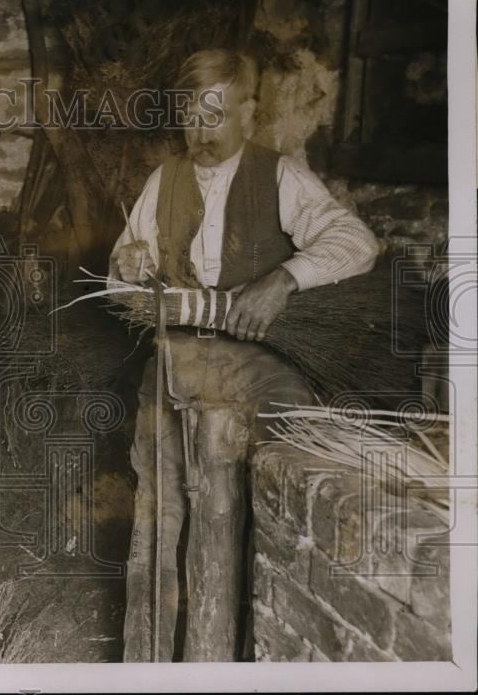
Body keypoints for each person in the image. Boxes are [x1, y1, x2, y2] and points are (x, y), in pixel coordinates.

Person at [110, 50, 379, 661]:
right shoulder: (165, 179)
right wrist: (128, 266)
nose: (200, 134)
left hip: (263, 381)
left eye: (215, 116)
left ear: (249, 112)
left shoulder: (280, 174)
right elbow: (123, 272)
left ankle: (248, 661)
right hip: (176, 372)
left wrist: (285, 279)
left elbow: (356, 242)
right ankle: (145, 664)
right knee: (158, 521)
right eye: (189, 117)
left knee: (260, 527)